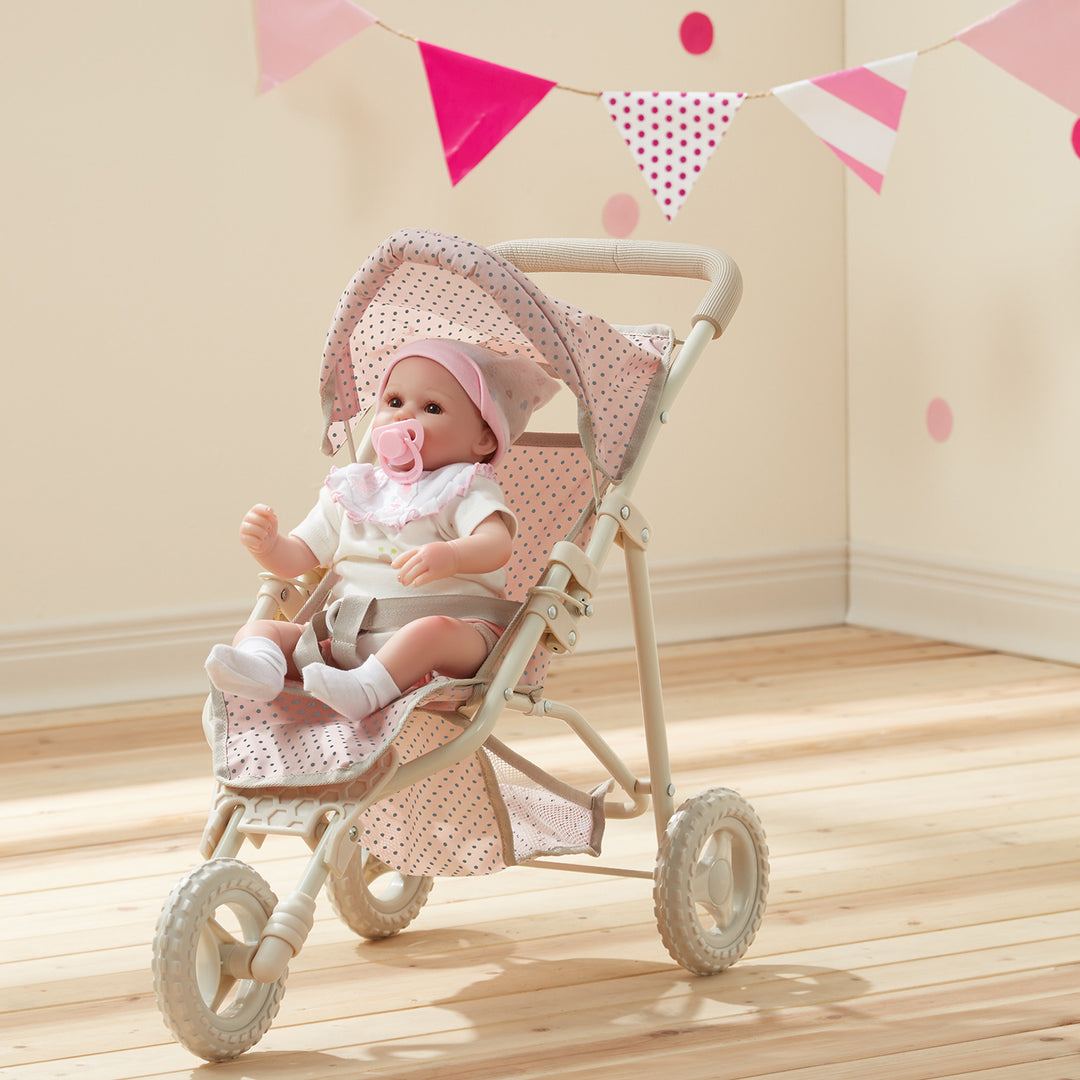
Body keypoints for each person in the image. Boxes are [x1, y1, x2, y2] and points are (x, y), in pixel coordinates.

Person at [205, 339, 559, 722]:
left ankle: (365, 690)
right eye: (393, 402)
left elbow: (497, 544)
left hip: (457, 640)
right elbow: (297, 558)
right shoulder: (355, 489)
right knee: (262, 628)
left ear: (484, 438)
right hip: (348, 638)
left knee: (429, 631)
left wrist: (451, 555)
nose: (403, 417)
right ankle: (261, 671)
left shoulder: (463, 485)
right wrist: (269, 545)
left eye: (432, 408)